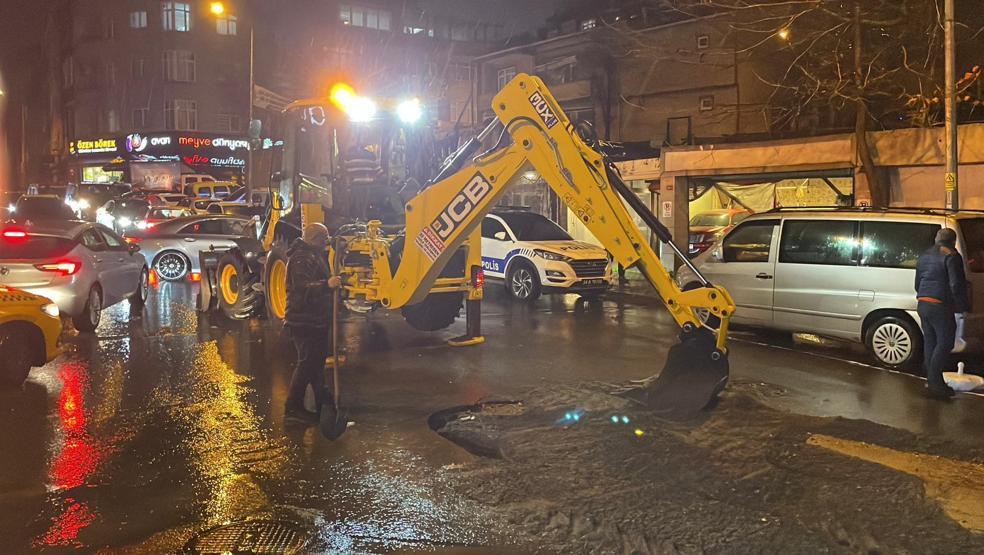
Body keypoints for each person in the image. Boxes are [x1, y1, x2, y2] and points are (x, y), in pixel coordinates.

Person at [284, 223, 342, 423]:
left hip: (315, 321)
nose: (326, 242)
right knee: (307, 364)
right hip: (304, 322)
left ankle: (323, 404)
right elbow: (301, 289)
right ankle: (293, 408)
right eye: (324, 238)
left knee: (316, 364)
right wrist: (327, 285)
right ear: (315, 238)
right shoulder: (301, 259)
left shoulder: (313, 255)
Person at [914, 227, 970, 399]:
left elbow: (917, 283)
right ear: (953, 242)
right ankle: (935, 383)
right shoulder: (952, 256)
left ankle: (932, 381)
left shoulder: (924, 256)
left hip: (923, 303)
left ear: (937, 240)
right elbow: (956, 285)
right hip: (941, 305)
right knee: (945, 344)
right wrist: (962, 307)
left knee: (931, 342)